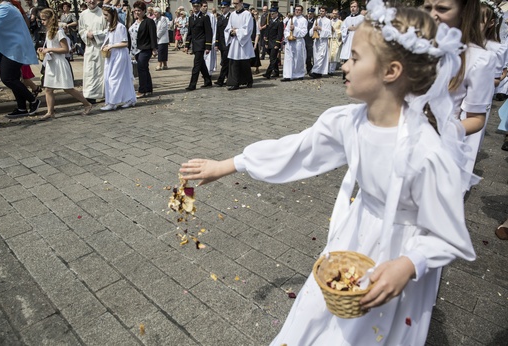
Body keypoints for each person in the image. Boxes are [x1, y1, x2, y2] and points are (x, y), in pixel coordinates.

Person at [180, 2, 478, 345]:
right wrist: (228, 165)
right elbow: (297, 149)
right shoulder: (347, 121)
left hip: (399, 253)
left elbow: (449, 234)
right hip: (352, 238)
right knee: (311, 319)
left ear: (391, 71)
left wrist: (410, 264)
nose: (344, 65)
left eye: (354, 57)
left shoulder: (425, 152)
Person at [423, 0, 496, 191]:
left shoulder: (478, 59)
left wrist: (442, 132)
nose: (433, 15)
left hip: (436, 148)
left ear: (464, 12)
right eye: (427, 7)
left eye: (442, 9)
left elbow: (476, 118)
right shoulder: (416, 45)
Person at [0, 0, 41, 118]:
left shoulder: (5, 8)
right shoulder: (5, 8)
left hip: (13, 48)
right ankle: (22, 107)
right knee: (14, 78)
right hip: (9, 47)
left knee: (7, 78)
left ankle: (33, 100)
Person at [37, 8, 92, 120]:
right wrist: (44, 50)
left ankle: (87, 104)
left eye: (44, 19)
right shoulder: (48, 32)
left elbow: (65, 49)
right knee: (48, 88)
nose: (42, 22)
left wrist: (49, 49)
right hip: (51, 63)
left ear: (50, 19)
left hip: (60, 63)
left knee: (68, 88)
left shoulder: (59, 31)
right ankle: (50, 112)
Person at [100, 5, 136, 110]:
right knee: (112, 78)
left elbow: (125, 43)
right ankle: (130, 99)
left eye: (106, 15)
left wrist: (111, 46)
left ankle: (113, 102)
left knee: (113, 79)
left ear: (112, 15)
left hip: (119, 55)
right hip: (112, 56)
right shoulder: (110, 27)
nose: (105, 17)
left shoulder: (120, 27)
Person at [78, 0, 107, 104]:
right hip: (90, 47)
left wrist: (95, 34)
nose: (92, 1)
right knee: (90, 72)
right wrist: (86, 34)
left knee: (101, 71)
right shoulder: (83, 15)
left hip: (101, 48)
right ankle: (90, 95)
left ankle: (103, 94)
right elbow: (81, 30)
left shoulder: (103, 13)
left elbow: (108, 30)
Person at [224, 0, 254, 90]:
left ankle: (248, 80)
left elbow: (248, 29)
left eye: (236, 4)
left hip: (243, 43)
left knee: (244, 63)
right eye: (234, 4)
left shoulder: (247, 14)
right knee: (234, 63)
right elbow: (228, 27)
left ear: (241, 3)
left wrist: (236, 31)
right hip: (234, 42)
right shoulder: (232, 14)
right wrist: (231, 32)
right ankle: (234, 82)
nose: (235, 6)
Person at [129, 1, 156, 98]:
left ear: (144, 11)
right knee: (144, 68)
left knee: (141, 68)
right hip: (135, 49)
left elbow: (153, 35)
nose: (137, 12)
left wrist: (154, 48)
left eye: (139, 11)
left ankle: (142, 90)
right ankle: (148, 89)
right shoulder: (134, 22)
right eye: (135, 10)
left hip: (145, 48)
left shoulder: (149, 22)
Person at [184, 0, 212, 91]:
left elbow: (208, 32)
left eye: (197, 6)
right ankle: (208, 81)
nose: (195, 8)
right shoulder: (191, 18)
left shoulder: (204, 17)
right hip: (195, 45)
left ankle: (192, 84)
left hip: (201, 44)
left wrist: (208, 46)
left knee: (196, 65)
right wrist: (187, 45)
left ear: (200, 7)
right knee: (201, 64)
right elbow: (190, 33)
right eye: (194, 6)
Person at [339, 1, 364, 80]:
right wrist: (347, 29)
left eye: (354, 7)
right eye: (351, 7)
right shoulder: (347, 19)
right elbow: (342, 29)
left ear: (358, 8)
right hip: (348, 40)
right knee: (348, 58)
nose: (353, 8)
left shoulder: (362, 18)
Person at [281, 5, 307, 82]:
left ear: (301, 11)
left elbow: (304, 32)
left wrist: (295, 29)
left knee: (298, 59)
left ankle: (299, 74)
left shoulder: (303, 20)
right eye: (296, 9)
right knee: (288, 59)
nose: (297, 11)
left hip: (298, 41)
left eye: (299, 10)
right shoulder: (291, 19)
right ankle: (287, 75)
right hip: (290, 41)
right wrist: (288, 36)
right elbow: (286, 30)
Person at [309, 6, 331, 79]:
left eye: (323, 11)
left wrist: (321, 29)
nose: (321, 12)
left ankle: (315, 71)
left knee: (320, 57)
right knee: (316, 57)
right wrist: (313, 29)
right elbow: (310, 32)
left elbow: (329, 32)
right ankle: (319, 72)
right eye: (320, 11)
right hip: (316, 41)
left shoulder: (328, 21)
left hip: (323, 41)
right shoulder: (317, 20)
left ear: (326, 12)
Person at [262, 6, 282, 79]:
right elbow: (267, 32)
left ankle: (268, 73)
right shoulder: (269, 21)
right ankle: (276, 72)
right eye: (271, 14)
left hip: (275, 42)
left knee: (272, 58)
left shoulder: (279, 22)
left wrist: (277, 43)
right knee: (273, 58)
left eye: (273, 14)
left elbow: (280, 34)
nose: (272, 15)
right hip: (269, 42)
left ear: (276, 14)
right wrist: (266, 42)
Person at [214, 1, 231, 86]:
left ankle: (220, 80)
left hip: (228, 43)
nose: (222, 9)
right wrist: (216, 44)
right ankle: (229, 79)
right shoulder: (220, 18)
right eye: (221, 8)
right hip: (221, 43)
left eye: (224, 7)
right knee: (225, 62)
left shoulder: (231, 17)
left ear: (228, 7)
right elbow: (218, 32)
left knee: (224, 62)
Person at [202, 0, 217, 74]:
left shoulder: (210, 16)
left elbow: (214, 29)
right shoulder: (199, 16)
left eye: (206, 6)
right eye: (204, 6)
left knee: (209, 57)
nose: (206, 8)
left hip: (209, 40)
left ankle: (208, 73)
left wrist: (213, 41)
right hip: (201, 40)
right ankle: (204, 72)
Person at [329, 9, 342, 75]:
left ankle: (332, 70)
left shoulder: (340, 22)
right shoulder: (329, 21)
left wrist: (335, 31)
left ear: (338, 14)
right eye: (333, 13)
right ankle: (327, 70)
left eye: (336, 13)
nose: (334, 15)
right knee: (328, 55)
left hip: (336, 40)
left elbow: (342, 31)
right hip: (329, 40)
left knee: (334, 55)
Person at [249, 6, 261, 74]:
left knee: (256, 55)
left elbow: (257, 34)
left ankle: (257, 67)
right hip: (249, 41)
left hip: (254, 41)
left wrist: (255, 44)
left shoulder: (256, 22)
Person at [304, 7, 315, 75]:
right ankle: (309, 68)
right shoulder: (305, 21)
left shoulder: (315, 21)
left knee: (311, 56)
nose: (309, 15)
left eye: (310, 14)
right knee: (306, 56)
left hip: (311, 40)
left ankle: (311, 68)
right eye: (308, 13)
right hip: (305, 39)